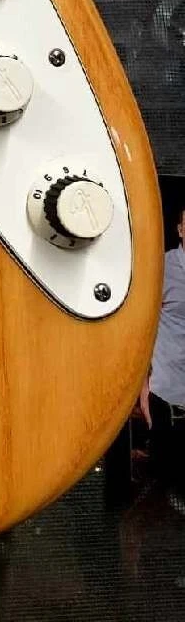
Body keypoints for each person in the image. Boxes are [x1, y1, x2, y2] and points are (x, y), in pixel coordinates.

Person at [140, 201, 185, 492]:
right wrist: (142, 390)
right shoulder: (162, 268)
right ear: (180, 230)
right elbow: (142, 329)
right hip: (168, 402)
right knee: (166, 489)